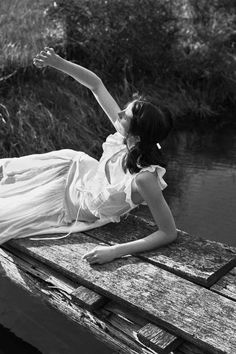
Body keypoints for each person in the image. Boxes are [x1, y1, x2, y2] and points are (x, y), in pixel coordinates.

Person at [0, 47, 177, 265]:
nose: (118, 114)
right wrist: (57, 62)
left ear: (138, 135)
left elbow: (168, 233)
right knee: (5, 171)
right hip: (70, 169)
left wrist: (115, 251)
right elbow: (96, 85)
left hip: (64, 204)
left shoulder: (144, 179)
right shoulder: (124, 139)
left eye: (124, 116)